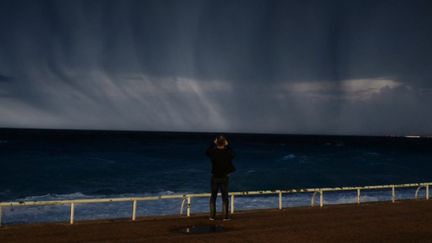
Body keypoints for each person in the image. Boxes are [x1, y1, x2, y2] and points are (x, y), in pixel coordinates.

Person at [205, 135, 236, 221]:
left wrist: (212, 144)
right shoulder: (227, 152)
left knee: (213, 197)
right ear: (224, 143)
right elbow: (233, 154)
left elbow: (207, 152)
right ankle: (225, 216)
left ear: (217, 142)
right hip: (224, 177)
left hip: (214, 177)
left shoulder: (213, 152)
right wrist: (228, 145)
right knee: (225, 197)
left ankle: (212, 216)